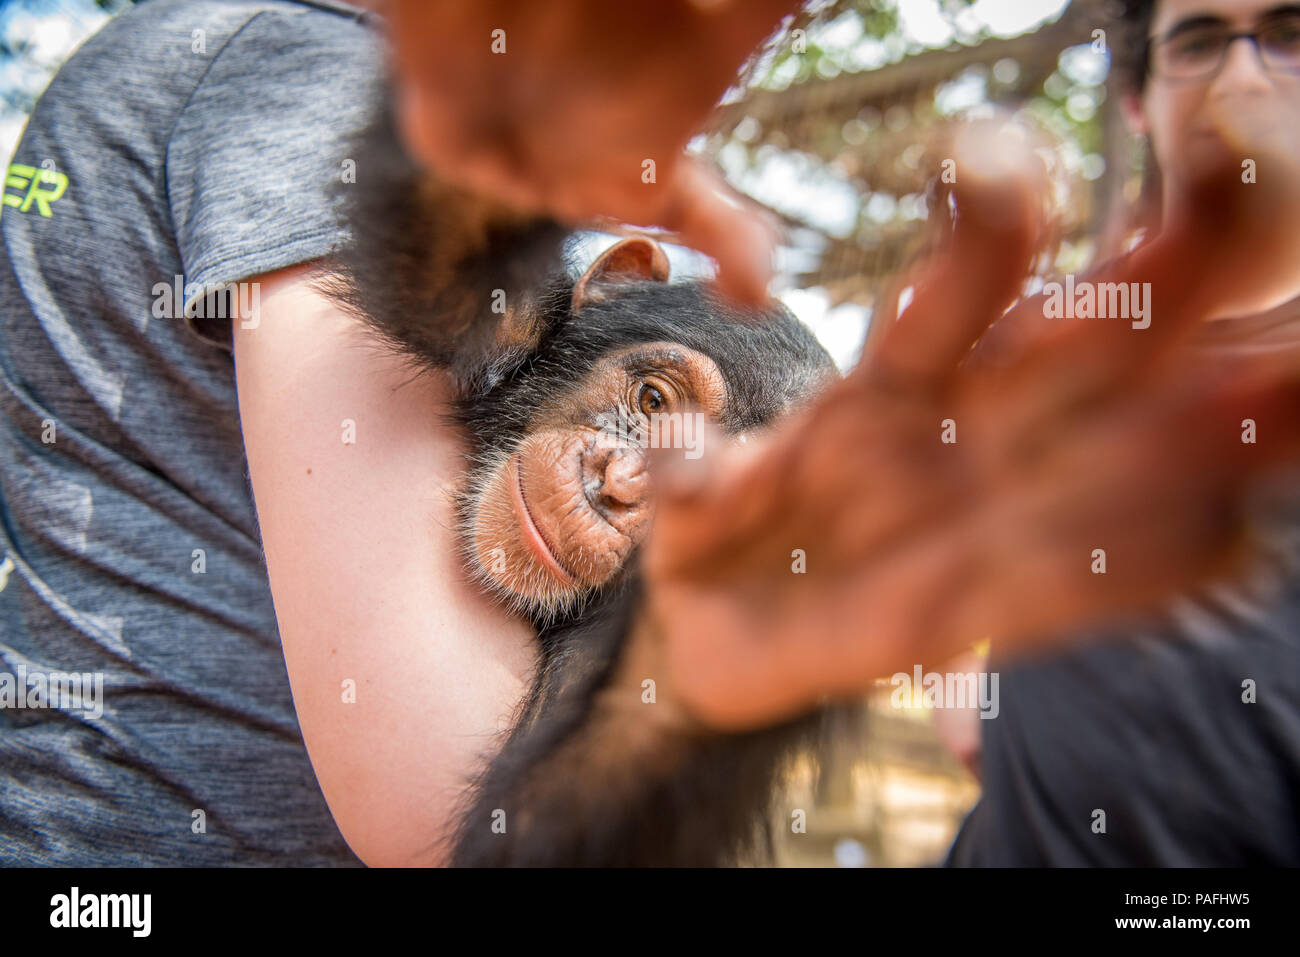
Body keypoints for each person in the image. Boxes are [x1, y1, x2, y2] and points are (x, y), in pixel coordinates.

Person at [2, 0, 1298, 867]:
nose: (628, 474)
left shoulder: (629, 574)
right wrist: (474, 176)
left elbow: (514, 833)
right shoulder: (310, 80)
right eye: (655, 398)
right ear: (611, 281)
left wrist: (682, 712)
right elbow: (450, 289)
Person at [946, 0, 1300, 865]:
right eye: (1201, 40)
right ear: (1138, 97)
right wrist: (957, 670)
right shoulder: (1046, 341)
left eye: (1291, 31)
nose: (1245, 75)